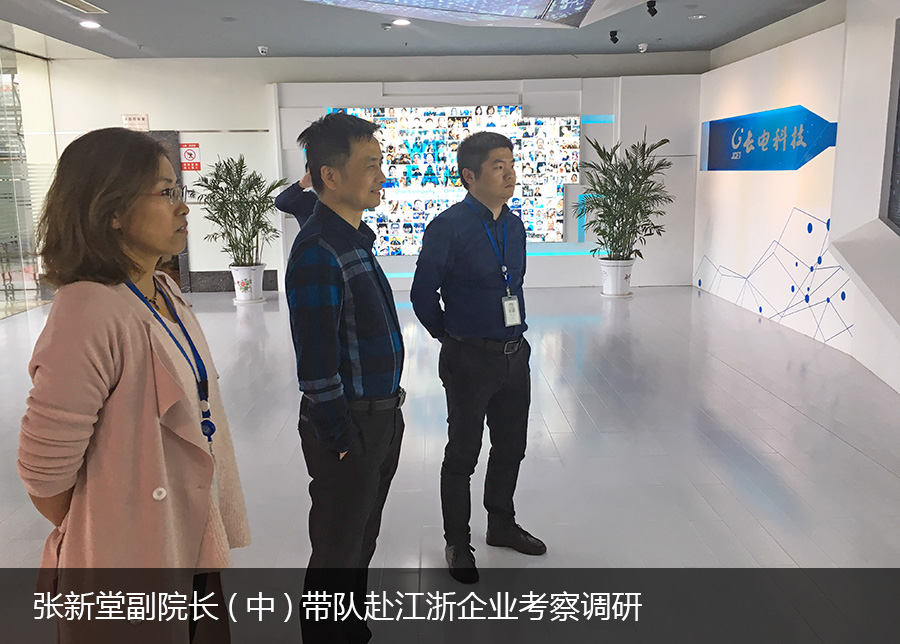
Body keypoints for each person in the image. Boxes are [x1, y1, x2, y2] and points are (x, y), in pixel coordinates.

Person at [17, 127, 250, 641]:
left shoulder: (163, 289)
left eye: (178, 190)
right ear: (112, 210)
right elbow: (44, 473)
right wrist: (117, 520)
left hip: (186, 533)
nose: (182, 207)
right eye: (165, 193)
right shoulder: (88, 309)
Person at [285, 112, 405, 643]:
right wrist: (339, 441)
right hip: (349, 426)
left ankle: (350, 630)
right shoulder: (319, 251)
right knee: (338, 551)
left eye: (381, 163)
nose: (382, 175)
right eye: (370, 165)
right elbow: (316, 366)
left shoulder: (353, 238)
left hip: (380, 417)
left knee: (359, 540)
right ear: (330, 176)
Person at [411, 131, 546, 585]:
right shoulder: (447, 227)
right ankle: (457, 541)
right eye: (497, 166)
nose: (510, 173)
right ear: (469, 175)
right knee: (463, 454)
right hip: (468, 357)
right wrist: (450, 338)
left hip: (514, 354)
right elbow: (422, 294)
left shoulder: (514, 225)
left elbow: (514, 285)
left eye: (511, 164)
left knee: (511, 447)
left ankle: (501, 524)